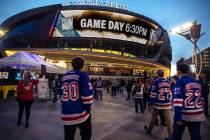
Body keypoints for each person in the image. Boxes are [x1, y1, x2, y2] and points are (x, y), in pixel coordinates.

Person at [61, 57, 93, 140]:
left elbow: (61, 94)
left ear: (72, 65)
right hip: (80, 113)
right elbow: (87, 97)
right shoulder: (83, 75)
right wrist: (88, 109)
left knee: (68, 136)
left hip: (66, 113)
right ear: (82, 66)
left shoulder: (64, 76)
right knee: (86, 134)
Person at [172, 63, 205, 140]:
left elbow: (177, 100)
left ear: (179, 71)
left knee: (176, 137)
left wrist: (177, 117)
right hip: (197, 114)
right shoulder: (197, 82)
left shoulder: (179, 82)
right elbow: (201, 98)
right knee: (196, 137)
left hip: (184, 115)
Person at [144, 70, 172, 140]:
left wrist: (150, 103)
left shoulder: (156, 82)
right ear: (163, 74)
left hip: (158, 104)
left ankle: (149, 130)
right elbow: (170, 93)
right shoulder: (168, 82)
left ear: (158, 74)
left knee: (153, 117)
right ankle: (170, 136)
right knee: (169, 121)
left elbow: (153, 94)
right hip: (166, 104)